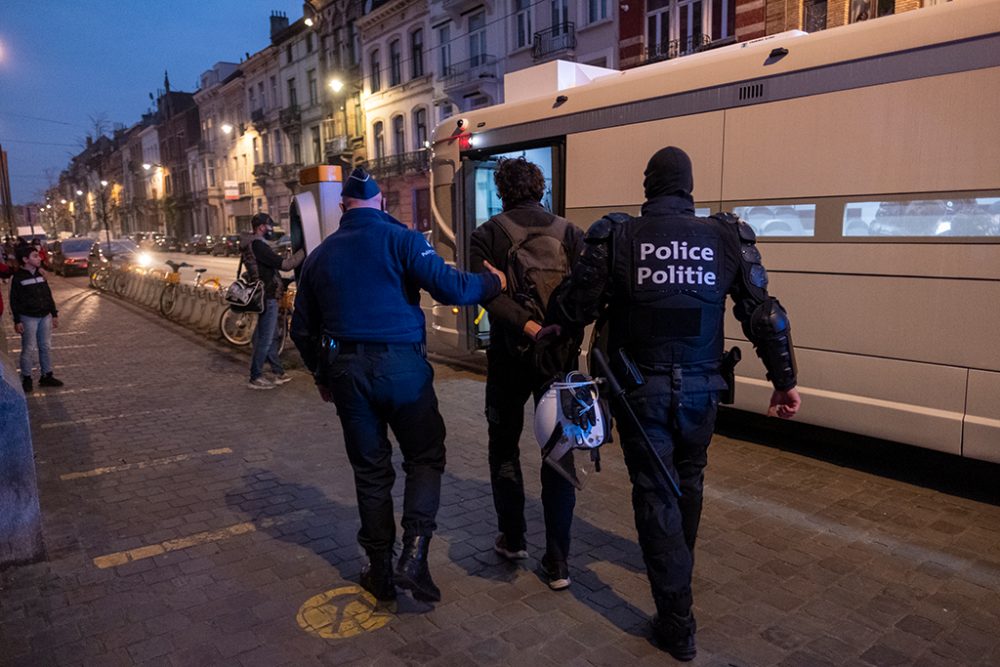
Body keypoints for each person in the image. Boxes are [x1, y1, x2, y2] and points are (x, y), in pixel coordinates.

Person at [546, 146, 801, 660]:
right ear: (689, 187)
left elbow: (575, 306)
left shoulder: (617, 235)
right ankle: (675, 564)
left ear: (649, 186)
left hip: (641, 391)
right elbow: (766, 315)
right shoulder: (727, 236)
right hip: (704, 390)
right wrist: (784, 380)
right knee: (689, 480)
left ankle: (677, 621)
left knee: (655, 493)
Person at [291, 167, 506, 606]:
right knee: (425, 456)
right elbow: (451, 288)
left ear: (340, 207)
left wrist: (321, 375)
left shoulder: (319, 255)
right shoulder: (404, 241)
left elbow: (301, 330)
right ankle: (416, 552)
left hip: (348, 373)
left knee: (371, 473)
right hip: (402, 368)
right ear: (382, 204)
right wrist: (493, 282)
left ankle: (381, 572)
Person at [468, 157, 585, 590]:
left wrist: (527, 325)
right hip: (559, 363)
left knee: (503, 448)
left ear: (502, 191)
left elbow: (485, 294)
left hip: (507, 359)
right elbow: (588, 294)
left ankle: (514, 538)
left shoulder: (487, 234)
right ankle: (558, 563)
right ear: (541, 188)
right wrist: (562, 333)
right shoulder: (571, 233)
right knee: (559, 454)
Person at [242, 212, 305, 389]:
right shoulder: (258, 246)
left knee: (264, 337)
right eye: (269, 226)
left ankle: (278, 372)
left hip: (263, 296)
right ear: (261, 227)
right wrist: (305, 250)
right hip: (267, 296)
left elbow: (264, 270)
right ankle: (256, 377)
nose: (271, 229)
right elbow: (285, 265)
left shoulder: (250, 244)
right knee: (266, 339)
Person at [10, 245, 64, 393]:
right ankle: (26, 378)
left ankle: (47, 375)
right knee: (28, 348)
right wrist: (17, 320)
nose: (39, 258)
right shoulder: (18, 278)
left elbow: (48, 295)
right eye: (35, 256)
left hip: (45, 316)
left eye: (38, 255)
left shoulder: (41, 274)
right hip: (28, 318)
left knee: (45, 347)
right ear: (25, 259)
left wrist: (53, 314)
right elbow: (14, 301)